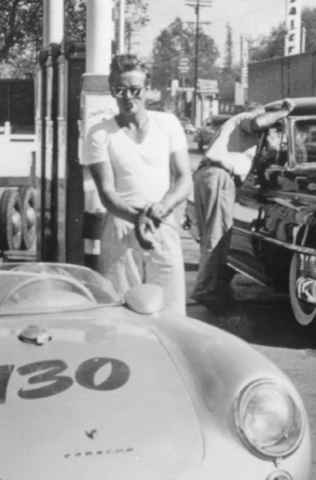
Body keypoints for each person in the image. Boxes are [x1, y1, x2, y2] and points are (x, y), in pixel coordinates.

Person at [84, 55, 192, 315]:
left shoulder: (168, 124)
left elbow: (184, 178)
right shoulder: (99, 133)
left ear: (148, 89)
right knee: (120, 309)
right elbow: (107, 193)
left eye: (135, 90)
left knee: (171, 310)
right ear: (112, 91)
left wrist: (162, 208)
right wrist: (137, 218)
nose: (128, 97)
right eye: (120, 90)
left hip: (161, 222)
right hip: (120, 225)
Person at [191, 99, 295, 307]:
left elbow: (267, 150)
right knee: (217, 234)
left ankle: (210, 285)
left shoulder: (236, 132)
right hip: (221, 176)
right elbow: (258, 123)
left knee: (210, 234)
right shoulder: (245, 119)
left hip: (207, 174)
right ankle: (206, 290)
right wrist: (284, 112)